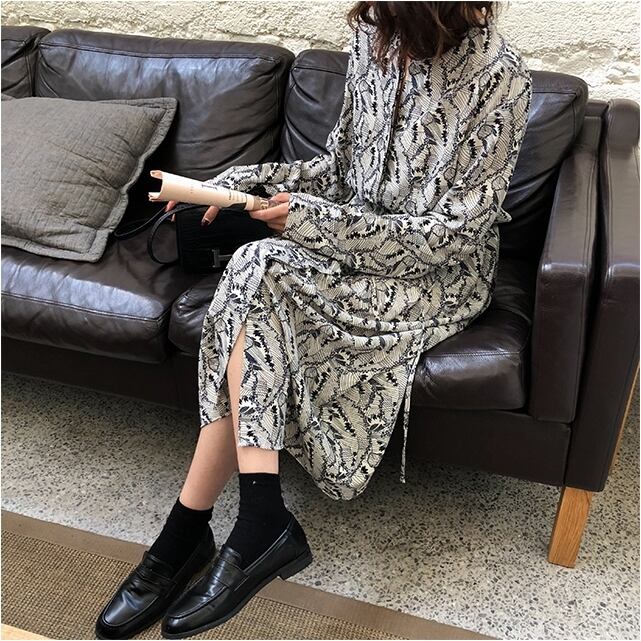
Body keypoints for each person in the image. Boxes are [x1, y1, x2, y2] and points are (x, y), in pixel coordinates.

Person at [95, 1, 532, 638]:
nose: (379, 27)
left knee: (261, 266)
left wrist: (308, 220)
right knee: (257, 271)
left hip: (434, 277)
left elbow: (450, 237)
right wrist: (243, 185)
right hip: (353, 244)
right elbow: (339, 169)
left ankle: (192, 535)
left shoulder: (501, 79)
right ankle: (242, 523)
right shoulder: (375, 41)